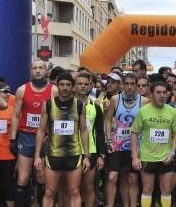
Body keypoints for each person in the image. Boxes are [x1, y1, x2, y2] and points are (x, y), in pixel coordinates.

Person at [34, 72, 90, 207]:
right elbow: (41, 130)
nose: (65, 88)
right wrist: (37, 156)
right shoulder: (48, 105)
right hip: (54, 155)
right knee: (49, 192)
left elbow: (83, 130)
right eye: (62, 85)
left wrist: (86, 156)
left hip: (73, 155)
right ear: (57, 86)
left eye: (68, 85)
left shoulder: (79, 105)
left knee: (74, 192)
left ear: (73, 87)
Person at [10, 60, 58, 206]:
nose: (38, 71)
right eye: (35, 68)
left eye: (41, 68)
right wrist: (13, 138)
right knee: (23, 178)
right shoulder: (22, 90)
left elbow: (56, 116)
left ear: (46, 71)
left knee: (41, 177)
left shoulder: (53, 90)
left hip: (45, 138)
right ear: (30, 70)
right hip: (26, 136)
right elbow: (16, 115)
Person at [131, 81, 176, 207]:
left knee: (166, 190)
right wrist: (135, 157)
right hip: (148, 157)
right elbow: (134, 134)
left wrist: (172, 153)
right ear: (151, 94)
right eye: (158, 92)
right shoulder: (143, 111)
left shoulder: (172, 111)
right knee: (147, 190)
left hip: (166, 157)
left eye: (164, 92)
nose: (162, 95)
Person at [104, 72, 143, 207]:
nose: (130, 87)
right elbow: (108, 120)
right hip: (117, 145)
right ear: (122, 85)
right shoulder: (115, 99)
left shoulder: (143, 101)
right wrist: (109, 140)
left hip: (134, 147)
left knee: (132, 178)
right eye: (127, 84)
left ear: (137, 85)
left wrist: (140, 147)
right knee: (112, 177)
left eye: (133, 84)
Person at [75, 72, 107, 207]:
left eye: (85, 84)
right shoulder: (68, 104)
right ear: (74, 86)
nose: (83, 86)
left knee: (89, 187)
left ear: (90, 86)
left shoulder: (96, 107)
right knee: (72, 188)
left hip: (91, 150)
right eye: (80, 84)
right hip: (72, 150)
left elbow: (100, 132)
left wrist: (101, 155)